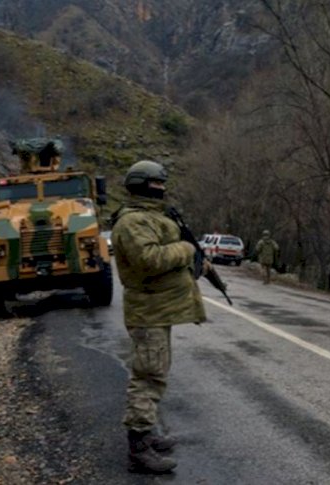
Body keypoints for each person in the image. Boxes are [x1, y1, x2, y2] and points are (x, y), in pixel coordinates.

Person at [111, 160, 208, 474]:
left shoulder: (151, 216)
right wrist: (185, 249)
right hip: (148, 311)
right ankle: (138, 448)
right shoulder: (133, 222)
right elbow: (149, 259)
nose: (162, 188)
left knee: (156, 372)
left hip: (157, 310)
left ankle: (147, 433)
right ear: (143, 184)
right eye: (157, 183)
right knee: (148, 376)